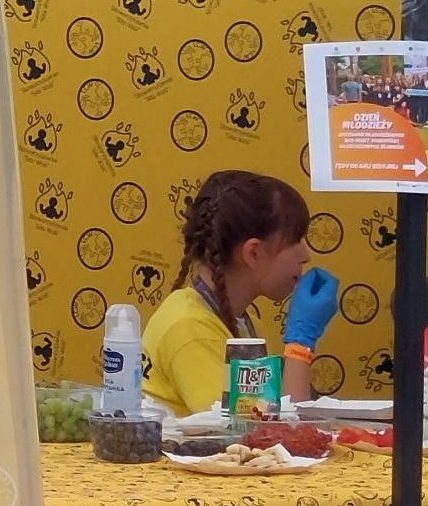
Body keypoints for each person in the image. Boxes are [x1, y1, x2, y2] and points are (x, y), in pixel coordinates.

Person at [142, 169, 339, 416]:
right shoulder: (190, 328)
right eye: (295, 241)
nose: (305, 255)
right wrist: (300, 344)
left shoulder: (244, 322)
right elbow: (261, 433)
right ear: (253, 253)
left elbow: (272, 414)